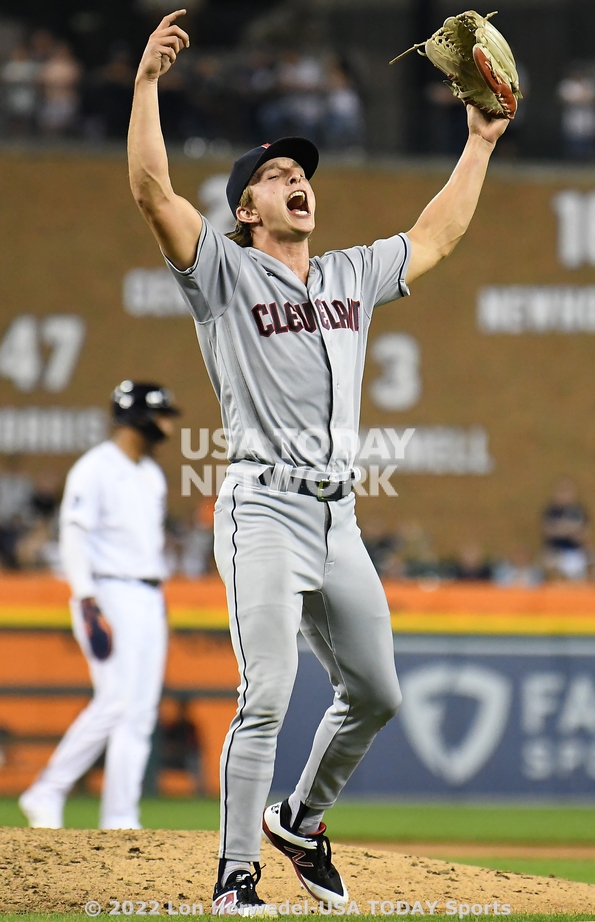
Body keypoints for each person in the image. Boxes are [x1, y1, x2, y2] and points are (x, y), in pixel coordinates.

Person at [128, 10, 509, 914]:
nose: (296, 180)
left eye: (301, 172)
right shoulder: (220, 274)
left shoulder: (346, 274)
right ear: (246, 208)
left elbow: (437, 234)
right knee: (266, 694)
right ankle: (235, 877)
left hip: (337, 517)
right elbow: (151, 190)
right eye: (274, 175)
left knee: (375, 692)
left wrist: (481, 143)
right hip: (260, 507)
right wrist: (146, 87)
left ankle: (299, 818)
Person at [19, 381, 179, 830]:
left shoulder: (151, 473)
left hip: (149, 594)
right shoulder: (95, 467)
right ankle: (47, 790)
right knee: (115, 701)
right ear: (138, 418)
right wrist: (86, 599)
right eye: (161, 414)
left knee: (141, 713)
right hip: (108, 592)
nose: (167, 423)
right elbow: (73, 535)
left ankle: (121, 816)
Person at [541, 478, 590, 581]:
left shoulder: (578, 511)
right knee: (547, 563)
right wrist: (568, 529)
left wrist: (562, 529)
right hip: (555, 550)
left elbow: (582, 534)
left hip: (574, 550)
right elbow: (549, 531)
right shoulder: (551, 511)